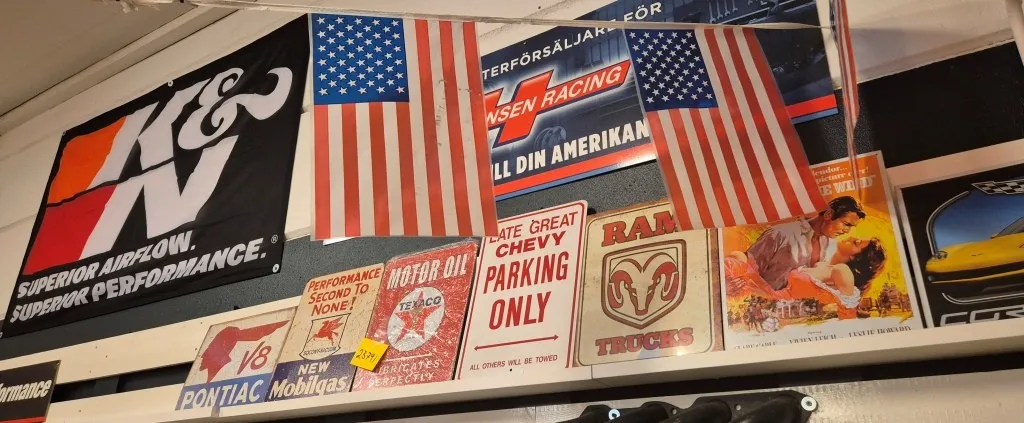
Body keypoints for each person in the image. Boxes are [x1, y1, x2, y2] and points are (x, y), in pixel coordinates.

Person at [727, 236, 887, 320]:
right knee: (737, 258)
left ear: (855, 257)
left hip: (774, 299)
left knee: (734, 263)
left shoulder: (842, 271)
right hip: (769, 293)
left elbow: (847, 314)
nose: (852, 237)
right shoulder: (822, 263)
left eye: (856, 243)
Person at [743, 196, 866, 291]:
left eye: (851, 227)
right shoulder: (780, 234)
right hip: (766, 304)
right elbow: (745, 271)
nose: (847, 231)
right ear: (829, 214)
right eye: (846, 224)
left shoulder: (832, 246)